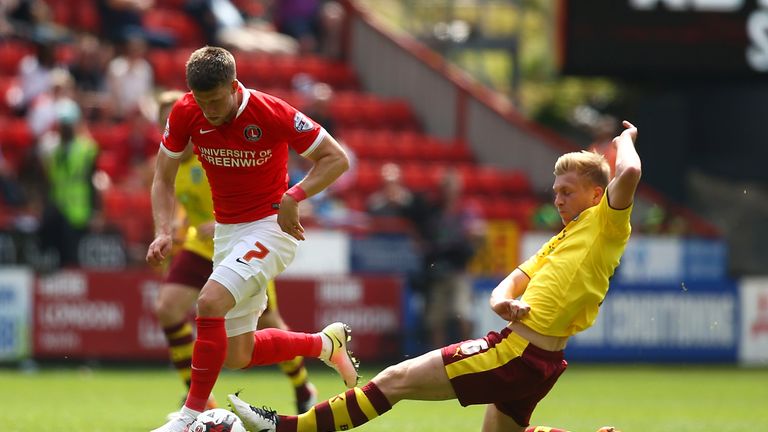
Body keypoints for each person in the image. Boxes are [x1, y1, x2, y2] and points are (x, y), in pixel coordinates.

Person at [228, 120, 642, 432]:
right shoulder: (562, 240)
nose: (557, 199)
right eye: (555, 191)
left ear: (594, 194)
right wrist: (500, 300)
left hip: (517, 354)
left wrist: (623, 143)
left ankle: (284, 427)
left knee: (396, 378)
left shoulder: (606, 223)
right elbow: (515, 278)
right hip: (536, 358)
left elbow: (628, 174)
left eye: (567, 191)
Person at [146, 46, 356, 432]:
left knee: (208, 301)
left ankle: (188, 419)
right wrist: (162, 230)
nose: (208, 110)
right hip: (228, 233)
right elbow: (163, 177)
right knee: (237, 355)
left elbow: (335, 157)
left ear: (233, 85)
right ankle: (325, 345)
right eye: (201, 101)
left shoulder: (270, 112)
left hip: (271, 226)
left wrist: (295, 196)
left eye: (215, 100)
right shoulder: (185, 112)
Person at [152, 90, 318, 415]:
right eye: (163, 127)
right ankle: (198, 399)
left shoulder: (213, 148)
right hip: (202, 250)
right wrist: (170, 230)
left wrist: (219, 223)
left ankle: (302, 385)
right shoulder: (174, 165)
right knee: (168, 309)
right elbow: (177, 200)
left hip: (241, 243)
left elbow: (242, 195)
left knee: (266, 322)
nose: (171, 134)